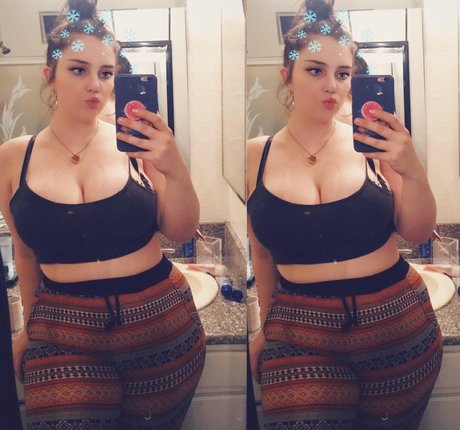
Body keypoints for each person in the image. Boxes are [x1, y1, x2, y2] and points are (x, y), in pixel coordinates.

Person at [0, 0, 205, 428]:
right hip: (62, 328)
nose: (95, 85)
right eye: (78, 70)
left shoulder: (138, 146)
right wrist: (28, 329)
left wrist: (175, 168)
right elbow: (25, 254)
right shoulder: (13, 157)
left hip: (160, 321)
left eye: (106, 73)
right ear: (50, 75)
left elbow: (181, 229)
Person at [247, 0, 442, 428]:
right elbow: (261, 253)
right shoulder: (255, 155)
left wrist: (411, 168)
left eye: (342, 73)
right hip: (299, 327)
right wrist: (264, 324)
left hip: (396, 320)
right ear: (287, 76)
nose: (331, 86)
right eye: (315, 70)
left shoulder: (376, 144)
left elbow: (417, 231)